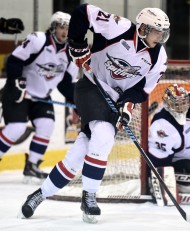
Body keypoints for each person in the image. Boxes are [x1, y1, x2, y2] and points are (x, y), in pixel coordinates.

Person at [19, 4, 170, 223]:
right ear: (144, 28)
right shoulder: (119, 28)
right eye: (158, 31)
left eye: (163, 32)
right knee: (103, 134)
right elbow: (82, 12)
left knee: (80, 152)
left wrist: (127, 106)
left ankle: (39, 194)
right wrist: (78, 44)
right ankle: (89, 195)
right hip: (90, 86)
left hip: (115, 99)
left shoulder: (159, 57)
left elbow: (140, 90)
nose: (161, 37)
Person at [0, 12, 79, 180]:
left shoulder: (71, 55)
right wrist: (16, 82)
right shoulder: (38, 40)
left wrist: (78, 100)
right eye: (61, 27)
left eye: (68, 29)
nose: (65, 32)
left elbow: (65, 86)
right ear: (53, 27)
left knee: (47, 125)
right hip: (20, 92)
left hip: (42, 97)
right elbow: (14, 60)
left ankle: (32, 165)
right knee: (17, 128)